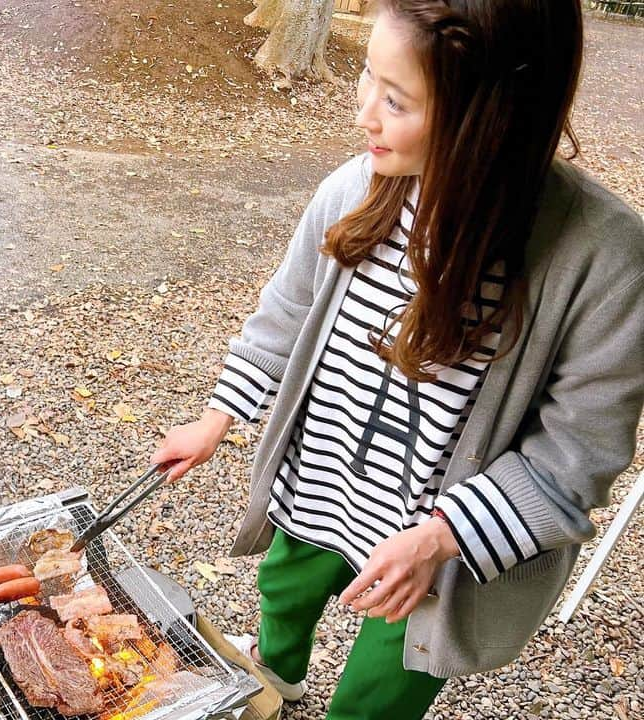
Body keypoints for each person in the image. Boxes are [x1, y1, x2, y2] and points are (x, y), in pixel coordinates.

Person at [150, 1, 644, 718]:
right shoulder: (355, 188)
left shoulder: (604, 260)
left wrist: (444, 538)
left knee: (382, 687)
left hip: (440, 544)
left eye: (396, 99)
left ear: (490, 116)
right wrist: (218, 416)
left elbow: (576, 454)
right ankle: (276, 683)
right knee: (284, 590)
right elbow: (284, 314)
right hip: (323, 481)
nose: (363, 117)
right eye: (367, 78)